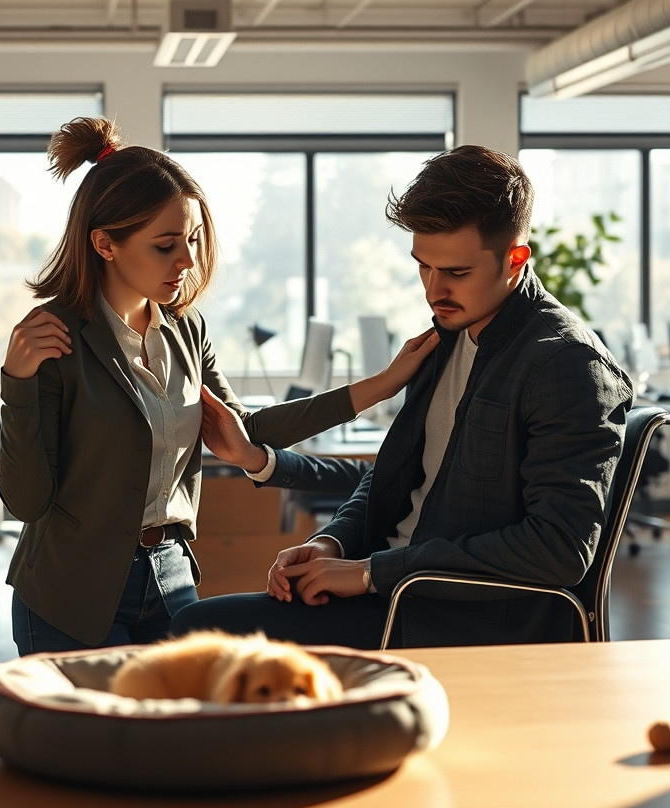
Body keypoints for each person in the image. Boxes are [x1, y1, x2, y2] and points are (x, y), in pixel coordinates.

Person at [0, 116, 436, 656]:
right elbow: (26, 501)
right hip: (71, 589)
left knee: (181, 734)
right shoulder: (54, 337)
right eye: (165, 246)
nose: (186, 261)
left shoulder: (185, 327)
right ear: (105, 243)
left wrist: (383, 384)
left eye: (192, 240)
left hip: (170, 577)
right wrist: (16, 384)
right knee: (98, 739)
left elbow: (244, 429)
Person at [170, 144, 635, 649]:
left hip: (452, 616)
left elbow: (558, 548)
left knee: (195, 634)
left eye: (456, 272)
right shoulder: (447, 336)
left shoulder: (565, 364)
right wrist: (333, 541)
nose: (434, 290)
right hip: (395, 591)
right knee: (198, 631)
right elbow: (394, 480)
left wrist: (372, 572)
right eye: (424, 267)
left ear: (515, 258)